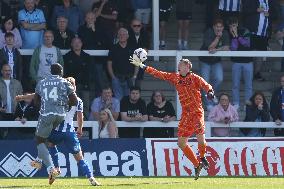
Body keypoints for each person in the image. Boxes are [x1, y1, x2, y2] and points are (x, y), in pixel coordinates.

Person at [130, 57, 215, 179]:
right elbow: (159, 74)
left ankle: (202, 157)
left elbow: (207, 86)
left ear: (187, 67)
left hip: (196, 113)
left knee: (201, 139)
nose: (178, 66)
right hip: (186, 115)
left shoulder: (194, 78)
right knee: (181, 143)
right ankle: (197, 164)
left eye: (180, 64)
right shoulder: (175, 78)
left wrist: (210, 92)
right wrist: (143, 66)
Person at [17, 63, 78, 184]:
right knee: (46, 139)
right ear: (61, 72)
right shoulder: (64, 82)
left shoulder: (42, 82)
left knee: (39, 140)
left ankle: (51, 169)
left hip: (47, 115)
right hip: (60, 116)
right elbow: (74, 100)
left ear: (50, 71)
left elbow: (36, 101)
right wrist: (64, 106)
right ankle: (38, 161)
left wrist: (44, 108)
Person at [47, 77, 100, 186]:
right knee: (79, 157)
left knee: (50, 144)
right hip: (69, 132)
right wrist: (80, 129)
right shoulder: (78, 100)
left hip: (56, 130)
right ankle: (91, 178)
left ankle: (56, 168)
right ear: (74, 87)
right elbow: (80, 117)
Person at [199, 18, 230, 111]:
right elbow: (210, 47)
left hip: (216, 61)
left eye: (220, 27)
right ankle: (208, 103)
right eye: (217, 27)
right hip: (205, 61)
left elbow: (227, 47)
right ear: (213, 27)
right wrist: (217, 38)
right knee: (205, 82)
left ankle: (211, 95)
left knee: (219, 78)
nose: (219, 29)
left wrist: (217, 50)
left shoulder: (224, 33)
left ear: (223, 27)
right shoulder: (209, 32)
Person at [228, 17, 253, 110]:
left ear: (237, 24)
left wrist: (237, 35)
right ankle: (236, 103)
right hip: (236, 62)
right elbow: (234, 48)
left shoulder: (245, 30)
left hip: (248, 61)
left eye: (234, 25)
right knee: (235, 84)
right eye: (231, 25)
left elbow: (246, 44)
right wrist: (234, 36)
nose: (233, 27)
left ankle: (247, 103)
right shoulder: (229, 33)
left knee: (248, 84)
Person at [107, 28, 138, 100]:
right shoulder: (113, 48)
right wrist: (113, 77)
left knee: (129, 99)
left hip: (130, 78)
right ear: (117, 36)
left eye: (124, 34)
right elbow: (109, 64)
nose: (122, 36)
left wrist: (135, 76)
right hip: (117, 78)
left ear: (127, 36)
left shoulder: (133, 48)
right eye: (120, 34)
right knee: (118, 99)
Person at [0, 64, 23, 139]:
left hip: (15, 114)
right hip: (2, 114)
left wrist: (20, 114)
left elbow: (22, 99)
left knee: (13, 136)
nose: (8, 72)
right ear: (2, 71)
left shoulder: (17, 83)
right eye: (6, 70)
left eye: (9, 70)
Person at [128, 18, 150, 88]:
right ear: (131, 26)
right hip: (128, 62)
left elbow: (146, 48)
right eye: (135, 26)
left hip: (140, 62)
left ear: (141, 26)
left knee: (137, 85)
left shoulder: (145, 34)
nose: (137, 27)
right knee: (129, 86)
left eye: (139, 26)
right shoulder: (127, 34)